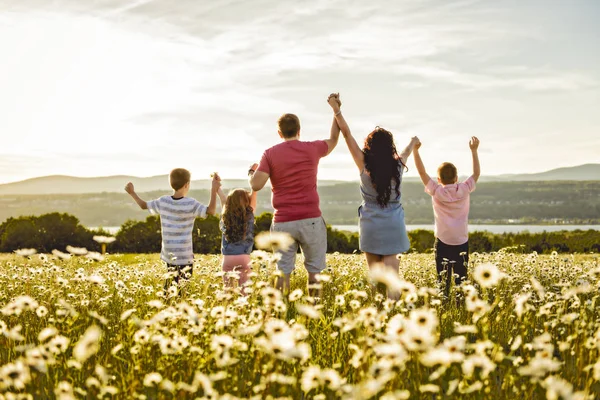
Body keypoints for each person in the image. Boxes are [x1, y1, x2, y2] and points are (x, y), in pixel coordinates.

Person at [248, 94, 343, 294]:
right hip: (311, 219)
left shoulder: (270, 153)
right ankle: (313, 309)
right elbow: (334, 139)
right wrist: (335, 111)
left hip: (283, 221)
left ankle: (281, 310)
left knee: (283, 271)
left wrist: (252, 173)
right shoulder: (312, 148)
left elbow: (256, 185)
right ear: (299, 130)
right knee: (315, 270)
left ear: (279, 133)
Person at [333, 97, 419, 299]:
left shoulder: (363, 163)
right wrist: (414, 142)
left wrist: (336, 111)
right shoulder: (397, 165)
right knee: (392, 281)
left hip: (370, 224)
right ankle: (393, 320)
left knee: (375, 281)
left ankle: (376, 320)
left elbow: (347, 134)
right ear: (390, 147)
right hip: (393, 225)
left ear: (369, 145)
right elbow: (406, 152)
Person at [124, 168, 220, 294]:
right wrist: (213, 190)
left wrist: (132, 193)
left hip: (169, 253)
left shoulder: (163, 201)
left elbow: (143, 205)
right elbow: (211, 211)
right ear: (187, 185)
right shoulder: (191, 204)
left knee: (170, 284)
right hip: (184, 255)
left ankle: (166, 305)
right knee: (183, 289)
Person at [412, 137, 480, 296]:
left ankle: (443, 306)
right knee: (461, 281)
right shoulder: (464, 189)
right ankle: (460, 307)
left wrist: (415, 151)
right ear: (457, 179)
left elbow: (422, 172)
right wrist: (474, 150)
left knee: (442, 281)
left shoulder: (437, 191)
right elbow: (476, 173)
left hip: (442, 242)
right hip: (461, 242)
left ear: (439, 180)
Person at [216, 177, 257, 293]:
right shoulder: (249, 213)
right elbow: (255, 190)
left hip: (227, 259)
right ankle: (244, 310)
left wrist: (217, 186)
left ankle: (226, 310)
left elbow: (223, 198)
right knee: (244, 294)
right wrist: (252, 174)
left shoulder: (226, 214)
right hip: (244, 257)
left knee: (227, 294)